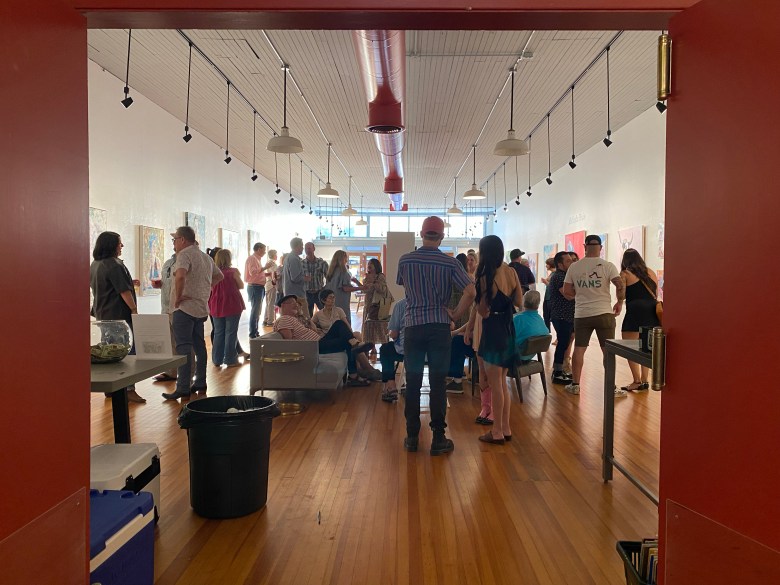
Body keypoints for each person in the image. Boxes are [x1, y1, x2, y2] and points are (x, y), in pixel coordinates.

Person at [397, 216, 475, 455]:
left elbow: (404, 286)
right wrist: (455, 313)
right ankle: (438, 437)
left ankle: (411, 437)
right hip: (440, 326)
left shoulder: (406, 260)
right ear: (441, 237)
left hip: (413, 326)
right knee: (438, 383)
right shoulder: (449, 263)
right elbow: (471, 291)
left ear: (422, 234)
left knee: (413, 381)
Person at [465, 235, 523, 445]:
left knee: (494, 383)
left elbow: (483, 311)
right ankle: (505, 428)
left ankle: (496, 431)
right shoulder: (511, 271)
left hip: (492, 329)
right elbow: (519, 302)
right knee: (503, 383)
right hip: (508, 328)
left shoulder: (485, 274)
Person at [163, 226, 224, 401]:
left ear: (182, 239)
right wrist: (206, 290)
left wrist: (178, 297)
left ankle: (183, 387)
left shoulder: (185, 254)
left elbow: (180, 275)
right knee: (199, 346)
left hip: (184, 308)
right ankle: (201, 382)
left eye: (175, 239)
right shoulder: (205, 257)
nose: (174, 243)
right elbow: (219, 276)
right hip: (200, 308)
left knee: (183, 347)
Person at [562, 234, 626, 397]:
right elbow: (619, 284)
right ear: (600, 248)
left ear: (585, 247)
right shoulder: (608, 265)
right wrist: (620, 302)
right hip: (604, 313)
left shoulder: (574, 267)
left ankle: (575, 385)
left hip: (582, 314)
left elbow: (567, 291)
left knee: (579, 349)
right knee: (608, 351)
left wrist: (580, 294)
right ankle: (611, 387)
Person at [90, 231, 145, 403]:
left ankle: (112, 389)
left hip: (102, 314)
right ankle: (128, 389)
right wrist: (134, 309)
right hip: (119, 317)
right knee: (126, 354)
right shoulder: (114, 265)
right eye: (119, 243)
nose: (122, 246)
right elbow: (123, 291)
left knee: (108, 353)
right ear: (111, 245)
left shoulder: (95, 264)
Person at [273, 294, 372, 386]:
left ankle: (354, 345)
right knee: (346, 341)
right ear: (283, 306)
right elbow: (288, 344)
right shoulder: (284, 319)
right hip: (314, 346)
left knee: (339, 323)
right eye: (291, 302)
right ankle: (353, 374)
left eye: (296, 302)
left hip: (320, 341)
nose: (295, 304)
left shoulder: (293, 319)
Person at [618, 248, 660, 391]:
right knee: (646, 347)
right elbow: (655, 293)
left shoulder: (625, 273)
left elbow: (621, 295)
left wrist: (618, 299)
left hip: (635, 311)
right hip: (651, 310)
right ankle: (645, 380)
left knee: (630, 346)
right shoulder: (651, 272)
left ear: (625, 261)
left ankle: (636, 380)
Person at [209, 249, 246, 368]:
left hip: (216, 303)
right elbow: (241, 285)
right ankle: (230, 359)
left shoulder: (212, 272)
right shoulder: (233, 271)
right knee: (231, 332)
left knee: (218, 332)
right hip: (232, 303)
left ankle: (216, 359)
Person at [446, 253, 474, 394]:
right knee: (461, 334)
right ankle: (459, 371)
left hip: (456, 305)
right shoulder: (469, 277)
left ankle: (455, 372)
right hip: (466, 307)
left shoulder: (454, 276)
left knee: (456, 338)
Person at [549, 251, 576, 385]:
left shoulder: (565, 276)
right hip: (561, 316)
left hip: (567, 316)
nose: (571, 263)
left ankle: (560, 370)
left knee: (564, 343)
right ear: (560, 264)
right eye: (568, 261)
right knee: (562, 343)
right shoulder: (559, 277)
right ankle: (557, 372)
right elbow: (568, 295)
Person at [152, 251, 179, 382]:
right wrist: (159, 284)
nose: (174, 243)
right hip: (165, 307)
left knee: (183, 342)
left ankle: (187, 375)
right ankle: (171, 372)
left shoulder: (188, 261)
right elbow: (166, 282)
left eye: (177, 239)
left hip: (180, 308)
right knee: (169, 341)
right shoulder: (168, 263)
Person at [379, 297, 407, 403]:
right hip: (433, 354)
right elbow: (451, 326)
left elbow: (394, 334)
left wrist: (390, 334)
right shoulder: (437, 302)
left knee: (385, 349)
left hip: (407, 352)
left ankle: (391, 386)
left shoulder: (402, 305)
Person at [244, 242, 273, 338]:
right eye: (264, 250)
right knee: (255, 310)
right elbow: (253, 273)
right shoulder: (252, 259)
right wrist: (265, 267)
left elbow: (257, 274)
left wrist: (267, 274)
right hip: (255, 287)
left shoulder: (257, 259)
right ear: (258, 249)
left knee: (257, 310)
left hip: (258, 287)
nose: (265, 252)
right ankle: (253, 332)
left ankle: (255, 331)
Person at [512, 291, 550, 361]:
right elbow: (546, 333)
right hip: (531, 354)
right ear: (538, 304)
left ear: (524, 302)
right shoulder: (539, 319)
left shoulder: (517, 319)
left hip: (517, 356)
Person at [326, 250, 363, 318]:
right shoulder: (343, 272)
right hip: (342, 302)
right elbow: (346, 288)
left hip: (331, 301)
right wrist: (361, 287)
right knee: (344, 321)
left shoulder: (330, 272)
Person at [283, 237, 310, 320]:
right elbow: (295, 278)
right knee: (305, 319)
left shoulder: (289, 257)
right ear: (297, 246)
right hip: (297, 295)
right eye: (302, 246)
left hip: (292, 293)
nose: (303, 248)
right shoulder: (293, 258)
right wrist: (306, 278)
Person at [302, 242, 330, 316]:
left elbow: (329, 277)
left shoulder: (322, 263)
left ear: (314, 249)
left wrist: (325, 288)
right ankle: (308, 328)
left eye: (309, 248)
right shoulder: (301, 263)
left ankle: (324, 327)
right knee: (307, 316)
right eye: (305, 249)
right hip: (306, 293)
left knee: (325, 314)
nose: (307, 250)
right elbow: (298, 278)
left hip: (319, 292)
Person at [263, 249, 278, 326]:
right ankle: (270, 321)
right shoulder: (272, 263)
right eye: (276, 254)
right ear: (273, 255)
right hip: (271, 284)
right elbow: (273, 274)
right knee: (271, 303)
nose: (277, 256)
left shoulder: (268, 262)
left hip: (268, 284)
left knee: (268, 303)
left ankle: (266, 319)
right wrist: (274, 283)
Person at [541, 257, 556, 332]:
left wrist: (545, 282)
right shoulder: (552, 274)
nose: (546, 266)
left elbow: (552, 286)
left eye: (547, 264)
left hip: (551, 298)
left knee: (552, 317)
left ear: (550, 265)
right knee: (546, 316)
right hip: (547, 297)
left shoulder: (555, 274)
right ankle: (547, 332)